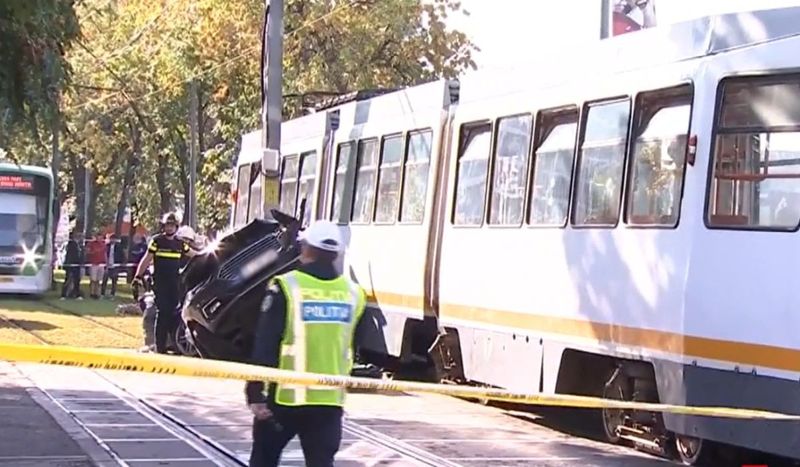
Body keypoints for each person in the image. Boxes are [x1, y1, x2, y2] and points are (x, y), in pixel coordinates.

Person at [245, 220, 367, 467]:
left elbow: (266, 343)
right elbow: (355, 345)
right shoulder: (354, 294)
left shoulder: (286, 286)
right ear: (337, 253)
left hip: (284, 400)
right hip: (328, 402)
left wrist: (255, 391)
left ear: (307, 249)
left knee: (263, 461)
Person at [133, 213, 195, 354]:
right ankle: (160, 347)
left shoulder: (180, 243)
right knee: (162, 312)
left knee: (173, 313)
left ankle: (173, 345)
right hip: (160, 283)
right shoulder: (157, 241)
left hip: (174, 283)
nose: (169, 228)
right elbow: (146, 259)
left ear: (176, 227)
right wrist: (138, 276)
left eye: (172, 225)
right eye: (167, 225)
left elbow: (195, 254)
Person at [60, 231, 84, 299]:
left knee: (76, 280)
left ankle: (77, 294)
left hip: (77, 265)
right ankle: (63, 295)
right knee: (68, 280)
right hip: (71, 264)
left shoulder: (80, 245)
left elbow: (81, 255)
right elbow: (70, 255)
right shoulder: (71, 244)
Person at [85, 232, 106, 299]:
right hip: (93, 264)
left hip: (101, 264)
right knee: (93, 279)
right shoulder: (91, 244)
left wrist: (106, 262)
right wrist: (93, 252)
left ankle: (97, 293)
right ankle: (92, 293)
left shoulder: (103, 244)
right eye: (98, 237)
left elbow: (105, 254)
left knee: (98, 280)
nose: (99, 238)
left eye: (101, 237)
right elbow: (87, 252)